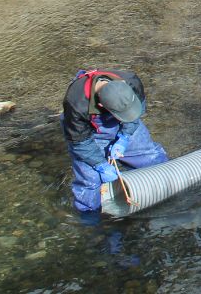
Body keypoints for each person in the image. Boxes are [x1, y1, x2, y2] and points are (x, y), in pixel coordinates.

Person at [62, 69, 169, 214]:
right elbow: (80, 142)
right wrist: (100, 164)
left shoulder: (132, 81)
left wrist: (124, 137)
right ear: (101, 106)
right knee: (90, 183)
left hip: (126, 125)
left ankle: (163, 197)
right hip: (91, 135)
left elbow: (135, 113)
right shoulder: (76, 103)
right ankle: (90, 220)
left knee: (153, 160)